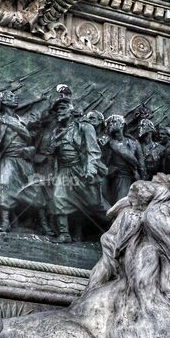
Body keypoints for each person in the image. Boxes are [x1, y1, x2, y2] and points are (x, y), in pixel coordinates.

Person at [48, 97, 107, 242]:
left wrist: (91, 171)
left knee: (95, 204)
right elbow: (52, 154)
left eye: (61, 108)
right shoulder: (56, 131)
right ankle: (64, 234)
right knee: (58, 197)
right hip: (64, 170)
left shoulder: (85, 127)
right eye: (56, 110)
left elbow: (93, 151)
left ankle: (118, 224)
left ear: (71, 110)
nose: (58, 112)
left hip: (81, 170)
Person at [0, 92, 44, 232]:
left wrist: (30, 147)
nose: (14, 98)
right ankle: (5, 223)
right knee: (4, 186)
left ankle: (44, 224)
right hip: (7, 158)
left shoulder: (22, 120)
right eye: (9, 96)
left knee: (35, 189)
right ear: (3, 102)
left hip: (23, 159)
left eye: (14, 96)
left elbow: (31, 136)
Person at [102, 114, 144, 204]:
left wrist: (142, 181)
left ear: (122, 124)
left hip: (131, 178)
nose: (110, 124)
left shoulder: (133, 143)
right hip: (112, 179)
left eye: (113, 122)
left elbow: (141, 165)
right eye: (109, 123)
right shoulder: (106, 142)